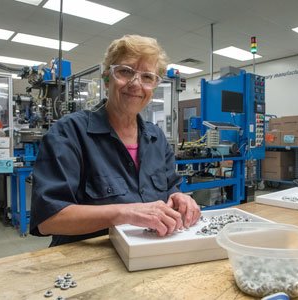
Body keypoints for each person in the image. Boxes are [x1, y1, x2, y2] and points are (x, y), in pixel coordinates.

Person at [30, 34, 201, 246]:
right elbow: (49, 220)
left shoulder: (157, 139)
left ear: (154, 86)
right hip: (88, 263)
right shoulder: (69, 132)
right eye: (126, 71)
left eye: (147, 77)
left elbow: (170, 189)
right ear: (106, 76)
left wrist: (179, 198)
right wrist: (125, 213)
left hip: (148, 255)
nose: (136, 83)